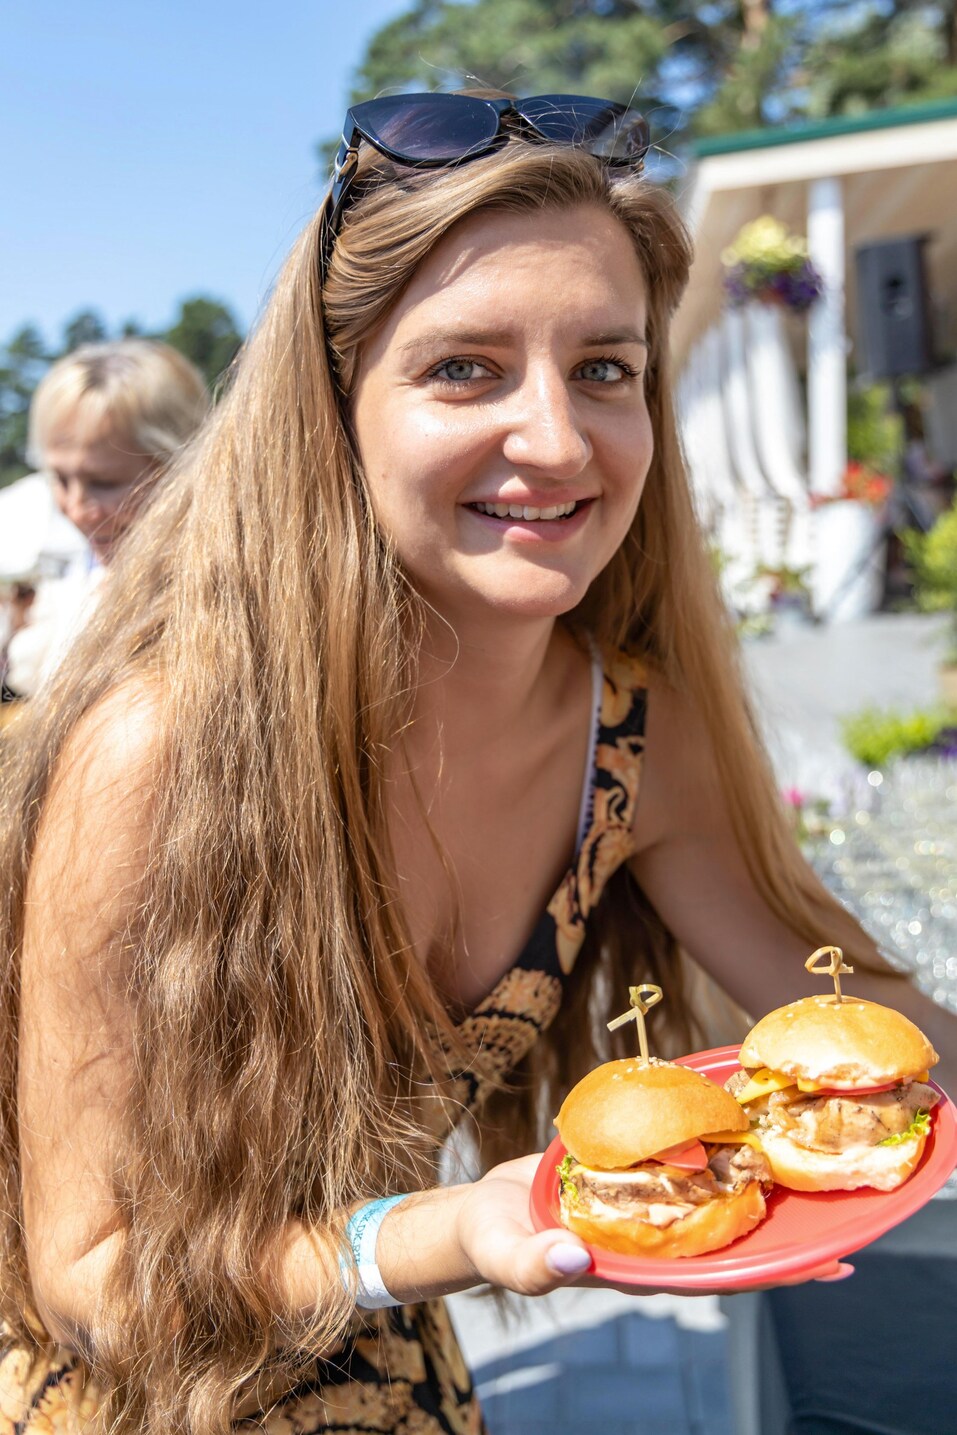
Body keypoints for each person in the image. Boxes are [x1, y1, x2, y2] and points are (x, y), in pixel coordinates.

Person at [0, 92, 953, 1435]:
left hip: (396, 1353)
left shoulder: (634, 734)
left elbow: (867, 1023)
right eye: (464, 368)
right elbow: (91, 1279)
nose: (557, 440)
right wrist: (446, 1231)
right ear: (335, 407)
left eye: (605, 368)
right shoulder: (155, 753)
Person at [3, 339, 208, 696]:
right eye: (60, 479)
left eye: (105, 483)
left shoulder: (211, 600)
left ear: (180, 466)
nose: (77, 509)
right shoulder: (86, 576)